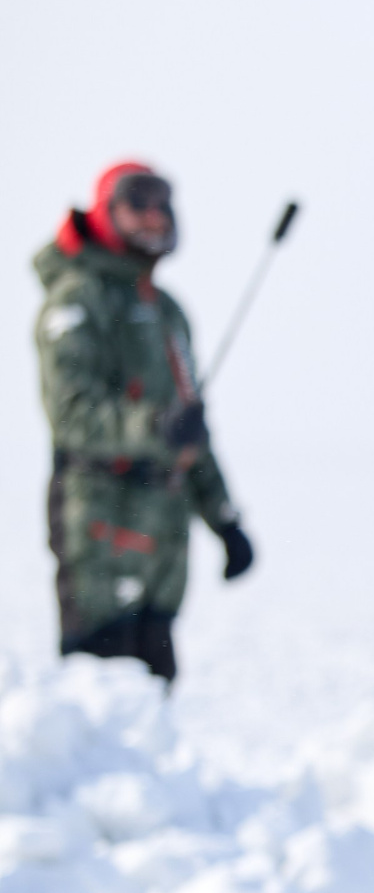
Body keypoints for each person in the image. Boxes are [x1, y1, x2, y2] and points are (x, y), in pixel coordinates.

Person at [31, 162, 253, 683]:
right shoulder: (78, 299)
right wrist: (155, 426)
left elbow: (190, 429)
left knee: (155, 692)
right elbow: (71, 414)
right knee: (101, 693)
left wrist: (223, 519)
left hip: (163, 541)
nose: (154, 216)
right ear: (105, 212)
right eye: (137, 202)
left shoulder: (167, 312)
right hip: (99, 527)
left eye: (163, 204)